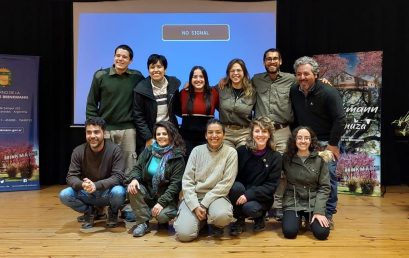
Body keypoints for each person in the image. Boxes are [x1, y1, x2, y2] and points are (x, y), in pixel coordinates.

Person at [290, 56, 346, 229]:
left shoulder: (328, 92)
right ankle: (306, 211)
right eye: (299, 74)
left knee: (327, 178)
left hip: (326, 142)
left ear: (316, 74)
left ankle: (327, 214)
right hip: (305, 143)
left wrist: (333, 145)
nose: (302, 77)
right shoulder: (294, 90)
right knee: (304, 177)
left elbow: (340, 119)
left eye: (306, 73)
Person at [173, 119, 238, 242]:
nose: (214, 136)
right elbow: (187, 181)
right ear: (205, 135)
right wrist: (195, 206)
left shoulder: (231, 153)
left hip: (217, 196)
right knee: (184, 235)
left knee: (222, 216)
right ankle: (201, 221)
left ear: (224, 135)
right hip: (195, 196)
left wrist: (204, 204)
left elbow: (226, 183)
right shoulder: (196, 151)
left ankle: (215, 223)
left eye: (218, 132)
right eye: (210, 132)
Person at [86, 44, 144, 175]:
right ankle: (104, 192)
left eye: (124, 57)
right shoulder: (100, 76)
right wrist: (95, 128)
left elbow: (151, 86)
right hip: (105, 128)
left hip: (128, 129)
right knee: (104, 163)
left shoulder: (137, 77)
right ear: (113, 57)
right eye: (118, 56)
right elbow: (91, 104)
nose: (120, 59)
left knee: (129, 164)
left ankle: (128, 193)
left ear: (130, 61)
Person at [251, 48, 295, 220]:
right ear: (264, 62)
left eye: (275, 59)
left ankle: (278, 205)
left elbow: (308, 83)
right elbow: (238, 84)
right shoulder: (256, 79)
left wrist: (323, 80)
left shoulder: (291, 79)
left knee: (282, 169)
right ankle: (262, 204)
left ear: (281, 61)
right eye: (268, 59)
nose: (272, 62)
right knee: (262, 168)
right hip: (262, 133)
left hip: (283, 131)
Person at [59, 117, 126, 229]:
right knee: (64, 195)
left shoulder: (115, 150)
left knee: (119, 191)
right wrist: (82, 184)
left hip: (107, 192)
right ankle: (90, 212)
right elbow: (71, 176)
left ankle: (113, 212)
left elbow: (118, 177)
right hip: (87, 191)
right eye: (89, 132)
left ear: (104, 133)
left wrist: (96, 185)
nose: (92, 136)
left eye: (96, 132)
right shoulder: (78, 151)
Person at [126, 121, 186, 237]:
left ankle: (161, 218)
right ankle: (143, 223)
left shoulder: (177, 157)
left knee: (162, 217)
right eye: (158, 134)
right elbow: (137, 168)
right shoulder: (149, 150)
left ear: (171, 135)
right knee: (133, 187)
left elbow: (175, 185)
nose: (161, 137)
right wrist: (134, 179)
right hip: (149, 193)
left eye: (165, 134)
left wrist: (161, 203)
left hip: (166, 197)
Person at [228, 117, 282, 236]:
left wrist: (249, 195)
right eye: (257, 131)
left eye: (264, 131)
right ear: (252, 133)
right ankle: (240, 220)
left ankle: (260, 217)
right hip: (241, 191)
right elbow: (234, 177)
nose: (260, 135)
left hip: (261, 197)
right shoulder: (241, 151)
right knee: (235, 187)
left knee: (250, 208)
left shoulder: (276, 157)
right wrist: (243, 193)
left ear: (269, 135)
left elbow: (271, 186)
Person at [281, 126, 331, 240]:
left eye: (306, 138)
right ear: (294, 140)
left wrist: (319, 211)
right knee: (289, 232)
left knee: (322, 234)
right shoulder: (286, 158)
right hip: (293, 201)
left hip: (313, 202)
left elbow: (325, 187)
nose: (303, 141)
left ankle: (309, 220)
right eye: (299, 138)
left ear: (311, 140)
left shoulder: (319, 160)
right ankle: (297, 221)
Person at [133, 54, 181, 155]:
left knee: (171, 162)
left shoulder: (173, 84)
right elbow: (138, 116)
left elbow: (177, 108)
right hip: (151, 133)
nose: (156, 70)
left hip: (170, 132)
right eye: (152, 67)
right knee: (150, 165)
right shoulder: (140, 89)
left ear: (165, 69)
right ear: (148, 70)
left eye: (159, 67)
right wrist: (148, 137)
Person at [179, 65, 219, 158]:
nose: (198, 79)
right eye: (195, 77)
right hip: (186, 140)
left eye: (201, 76)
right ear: (190, 79)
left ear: (206, 78)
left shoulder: (214, 93)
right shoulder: (183, 93)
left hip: (206, 140)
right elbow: (177, 110)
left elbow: (223, 109)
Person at [218, 58, 256, 148]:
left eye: (238, 70)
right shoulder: (221, 88)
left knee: (243, 154)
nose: (235, 73)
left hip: (244, 133)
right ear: (228, 73)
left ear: (244, 72)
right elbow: (206, 90)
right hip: (226, 133)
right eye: (232, 71)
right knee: (227, 157)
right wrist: (189, 84)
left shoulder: (253, 91)